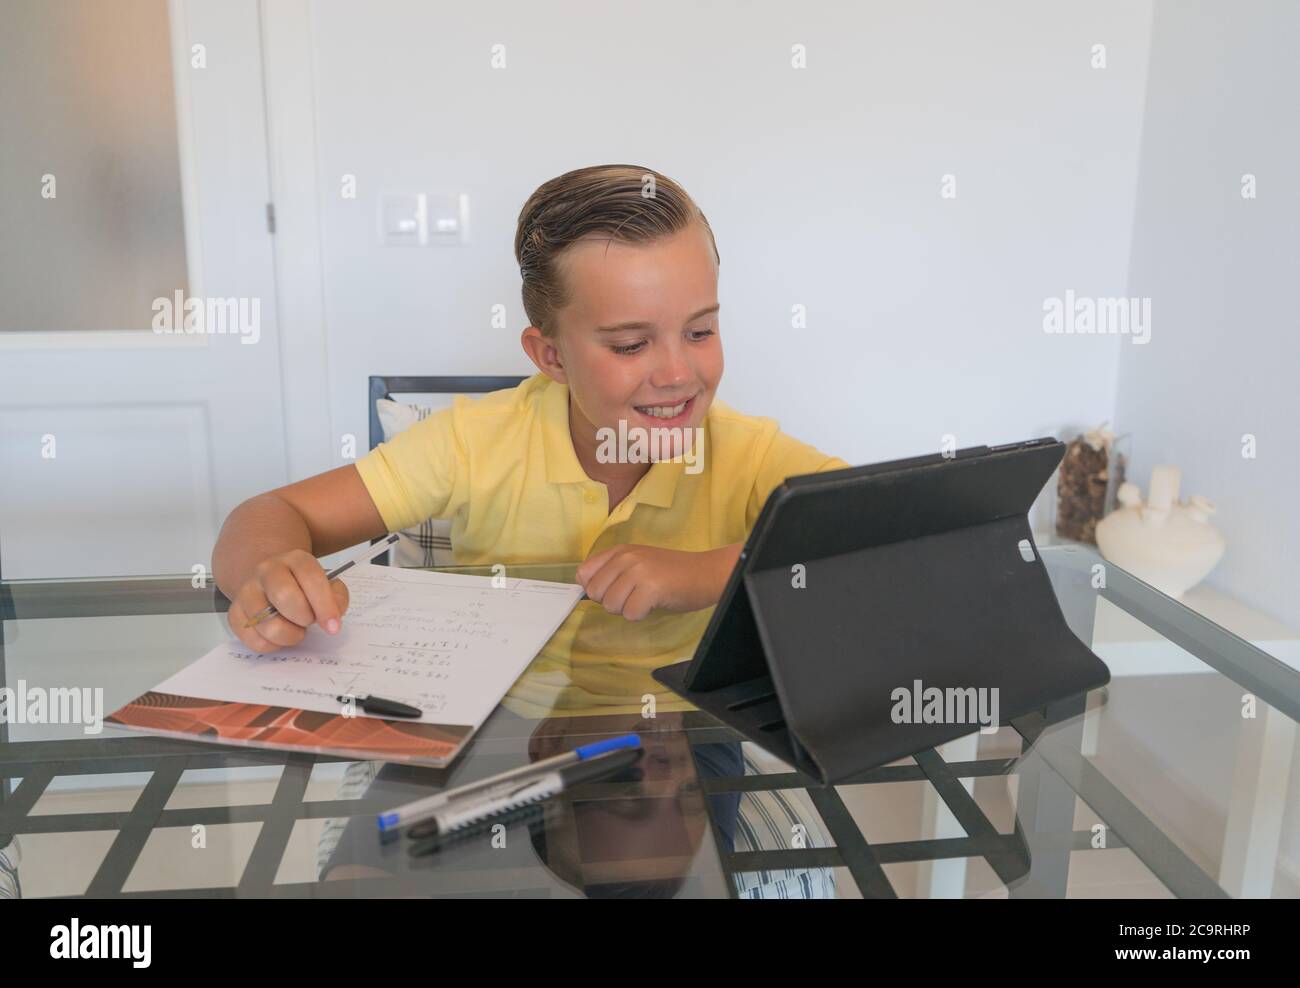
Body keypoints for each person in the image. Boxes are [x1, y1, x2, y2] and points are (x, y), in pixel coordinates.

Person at [212, 163, 848, 651]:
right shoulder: (473, 440)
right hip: (490, 725)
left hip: (675, 734)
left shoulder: (745, 449)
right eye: (631, 344)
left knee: (645, 826)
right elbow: (271, 512)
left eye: (701, 332)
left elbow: (878, 536)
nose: (679, 374)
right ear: (551, 358)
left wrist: (709, 573)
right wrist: (266, 575)